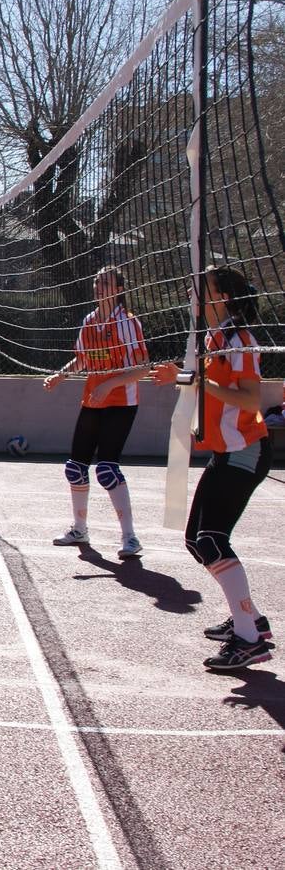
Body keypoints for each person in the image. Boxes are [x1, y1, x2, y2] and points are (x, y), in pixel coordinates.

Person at [151, 266, 274, 670]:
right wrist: (180, 376)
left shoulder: (240, 341)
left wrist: (194, 381)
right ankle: (251, 619)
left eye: (200, 288)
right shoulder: (214, 338)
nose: (192, 294)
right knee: (196, 540)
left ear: (221, 297)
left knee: (212, 540)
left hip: (245, 451)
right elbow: (208, 385)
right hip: (225, 451)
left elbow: (251, 400)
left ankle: (249, 640)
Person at [43, 266, 149, 558]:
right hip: (93, 401)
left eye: (105, 282)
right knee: (75, 468)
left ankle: (130, 537)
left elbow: (143, 368)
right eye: (97, 281)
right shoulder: (89, 321)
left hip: (121, 402)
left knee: (106, 469)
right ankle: (79, 529)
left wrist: (110, 383)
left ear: (119, 289)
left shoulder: (127, 323)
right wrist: (61, 375)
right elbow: (82, 360)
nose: (98, 286)